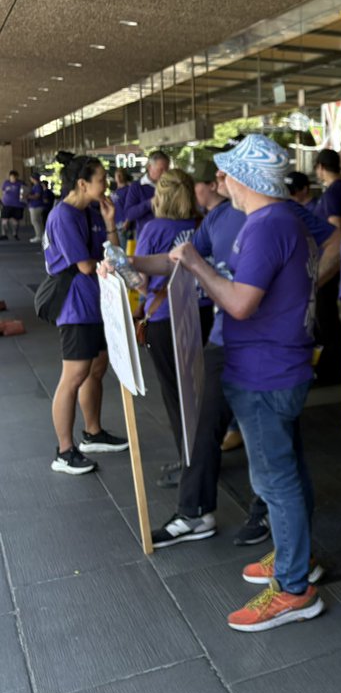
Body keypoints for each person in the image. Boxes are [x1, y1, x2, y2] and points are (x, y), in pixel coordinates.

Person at [126, 164, 333, 550]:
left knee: (276, 448)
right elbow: (180, 259)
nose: (219, 182)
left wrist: (304, 286)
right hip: (228, 340)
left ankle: (275, 529)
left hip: (269, 353)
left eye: (225, 175)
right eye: (218, 175)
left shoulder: (279, 213)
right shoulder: (220, 217)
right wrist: (132, 262)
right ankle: (196, 511)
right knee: (205, 422)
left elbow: (336, 240)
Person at [168, 135, 323, 632]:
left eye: (226, 173)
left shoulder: (268, 225)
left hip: (264, 373)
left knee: (275, 480)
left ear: (245, 179)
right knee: (287, 471)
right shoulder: (282, 220)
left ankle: (294, 589)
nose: (220, 182)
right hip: (276, 368)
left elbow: (238, 303)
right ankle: (295, 559)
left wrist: (196, 265)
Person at [43, 155, 128, 475]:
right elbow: (85, 266)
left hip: (96, 302)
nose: (106, 185)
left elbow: (115, 254)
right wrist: (107, 261)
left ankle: (93, 433)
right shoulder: (63, 216)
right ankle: (64, 451)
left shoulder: (91, 211)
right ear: (82, 183)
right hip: (74, 306)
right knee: (74, 375)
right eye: (102, 180)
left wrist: (110, 222)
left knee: (97, 368)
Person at [132, 169, 208, 490]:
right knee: (200, 390)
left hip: (165, 317)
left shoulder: (153, 228)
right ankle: (203, 456)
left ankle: (189, 461)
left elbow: (141, 281)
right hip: (204, 311)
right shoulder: (202, 224)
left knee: (176, 394)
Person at [313, 148, 341, 386]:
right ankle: (330, 368)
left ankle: (329, 371)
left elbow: (337, 229)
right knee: (327, 315)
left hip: (330, 263)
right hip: (337, 261)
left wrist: (328, 265)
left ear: (320, 167)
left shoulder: (332, 194)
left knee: (325, 316)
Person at [121, 151, 169, 239]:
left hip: (167, 234)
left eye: (167, 170)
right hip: (146, 237)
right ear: (150, 167)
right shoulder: (137, 186)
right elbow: (129, 214)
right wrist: (150, 203)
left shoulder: (170, 185)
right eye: (161, 170)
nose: (165, 173)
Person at [1, 170, 25, 241]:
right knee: (4, 220)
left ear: (17, 177)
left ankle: (15, 234)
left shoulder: (21, 183)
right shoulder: (6, 183)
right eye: (11, 177)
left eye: (14, 177)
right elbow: (3, 191)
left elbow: (25, 192)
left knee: (15, 220)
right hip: (7, 204)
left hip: (17, 205)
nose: (12, 179)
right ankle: (4, 234)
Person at [25, 174, 47, 244]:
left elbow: (37, 196)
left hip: (36, 206)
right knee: (39, 221)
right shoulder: (36, 186)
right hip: (35, 206)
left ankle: (39, 236)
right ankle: (42, 235)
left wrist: (27, 196)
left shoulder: (37, 186)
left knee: (35, 221)